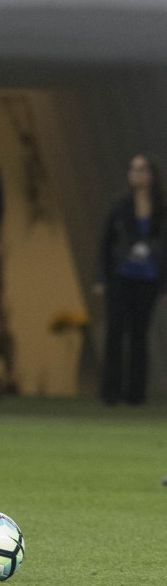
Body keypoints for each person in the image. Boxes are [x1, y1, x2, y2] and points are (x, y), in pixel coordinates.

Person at [94, 154, 167, 406]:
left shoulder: (161, 209)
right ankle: (110, 393)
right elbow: (106, 243)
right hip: (120, 277)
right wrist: (102, 277)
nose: (136, 174)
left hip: (148, 280)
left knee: (139, 334)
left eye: (142, 169)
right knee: (115, 332)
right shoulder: (120, 206)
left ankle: (136, 394)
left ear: (151, 175)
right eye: (133, 169)